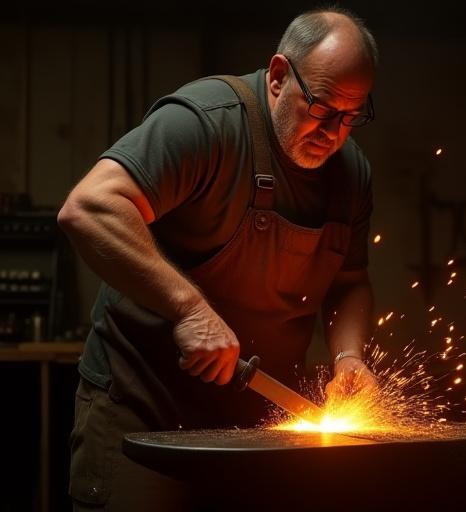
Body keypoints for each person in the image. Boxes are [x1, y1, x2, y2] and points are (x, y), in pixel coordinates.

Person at [58, 7, 379, 511]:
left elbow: (350, 280)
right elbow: (90, 208)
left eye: (352, 115)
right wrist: (189, 308)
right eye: (320, 107)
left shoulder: (351, 174)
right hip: (145, 409)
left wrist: (349, 356)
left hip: (257, 421)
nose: (334, 131)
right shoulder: (205, 124)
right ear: (277, 77)